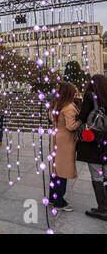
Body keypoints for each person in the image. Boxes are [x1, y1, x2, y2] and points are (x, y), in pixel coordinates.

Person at [76, 75, 107, 221]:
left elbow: (82, 118)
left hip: (94, 142)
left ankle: (103, 209)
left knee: (97, 176)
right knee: (106, 175)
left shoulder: (90, 96)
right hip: (105, 142)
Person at [49, 82, 81, 212]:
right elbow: (71, 126)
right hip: (65, 140)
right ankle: (59, 201)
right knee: (62, 170)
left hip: (56, 136)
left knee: (56, 169)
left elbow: (52, 119)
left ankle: (53, 197)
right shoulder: (68, 107)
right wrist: (81, 121)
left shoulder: (56, 104)